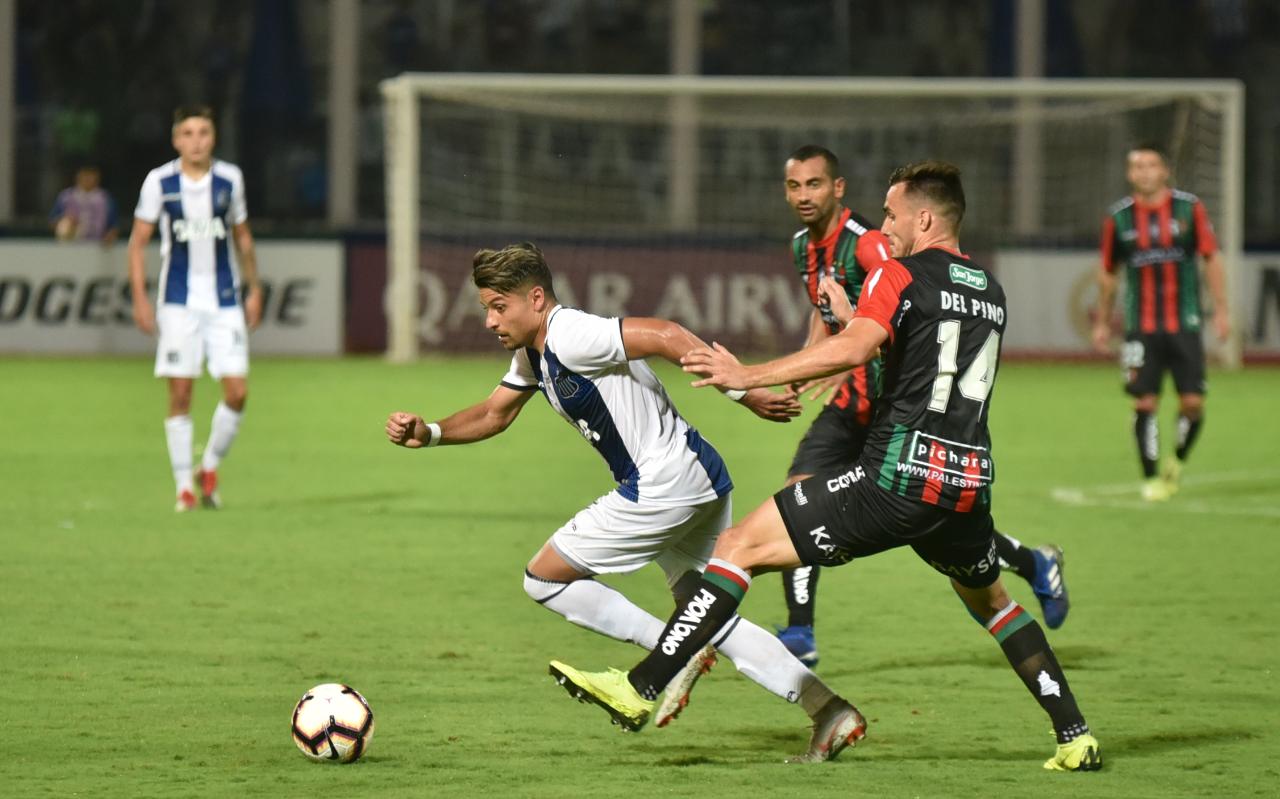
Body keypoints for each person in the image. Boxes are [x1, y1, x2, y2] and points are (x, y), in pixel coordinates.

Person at [551, 161, 1102, 772]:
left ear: (923, 217)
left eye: (892, 214)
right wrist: (852, 313)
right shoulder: (990, 290)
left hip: (894, 478)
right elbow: (923, 359)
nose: (884, 225)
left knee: (737, 547)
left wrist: (747, 374)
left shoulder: (897, 273)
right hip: (967, 483)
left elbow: (859, 349)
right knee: (995, 604)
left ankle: (643, 685)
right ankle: (1073, 734)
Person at [385, 242, 865, 762]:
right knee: (706, 614)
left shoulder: (571, 333)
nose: (489, 321)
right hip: (697, 477)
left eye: (499, 307)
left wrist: (743, 390)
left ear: (537, 298)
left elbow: (665, 334)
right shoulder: (532, 352)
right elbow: (493, 414)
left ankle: (672, 653)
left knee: (543, 578)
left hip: (664, 486)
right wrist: (430, 432)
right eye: (485, 308)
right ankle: (829, 711)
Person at [776, 146, 1069, 656]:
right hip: (854, 398)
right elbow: (823, 310)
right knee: (808, 491)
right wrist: (808, 362)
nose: (804, 195)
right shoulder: (803, 245)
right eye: (795, 186)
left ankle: (1028, 563)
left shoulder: (869, 245)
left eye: (815, 184)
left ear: (838, 188)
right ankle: (801, 630)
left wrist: (847, 349)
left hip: (894, 399)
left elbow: (907, 298)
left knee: (919, 516)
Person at [128, 106, 262, 512]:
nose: (197, 140)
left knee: (238, 392)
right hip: (178, 303)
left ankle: (210, 466)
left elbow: (242, 237)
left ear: (213, 137)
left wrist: (254, 288)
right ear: (176, 140)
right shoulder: (159, 182)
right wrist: (139, 297)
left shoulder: (229, 179)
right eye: (188, 133)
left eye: (204, 132)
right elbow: (137, 243)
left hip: (224, 300)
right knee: (181, 393)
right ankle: (184, 485)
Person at [1091, 142, 1229, 502]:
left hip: (1185, 323)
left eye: (1151, 165)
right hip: (1141, 327)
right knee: (1144, 403)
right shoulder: (1118, 219)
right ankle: (1151, 477)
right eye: (1137, 166)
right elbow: (1108, 273)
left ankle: (1177, 460)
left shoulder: (1189, 209)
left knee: (1193, 403)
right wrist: (1103, 321)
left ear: (1165, 170)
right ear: (1129, 174)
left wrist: (1223, 310)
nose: (1144, 172)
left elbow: (1211, 258)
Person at [49, 165, 119, 244]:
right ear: (78, 176)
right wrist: (66, 223)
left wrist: (110, 235)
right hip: (70, 246)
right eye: (85, 175)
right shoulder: (66, 197)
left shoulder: (105, 198)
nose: (87, 179)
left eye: (91, 175)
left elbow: (114, 226)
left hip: (97, 246)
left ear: (97, 177)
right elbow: (52, 221)